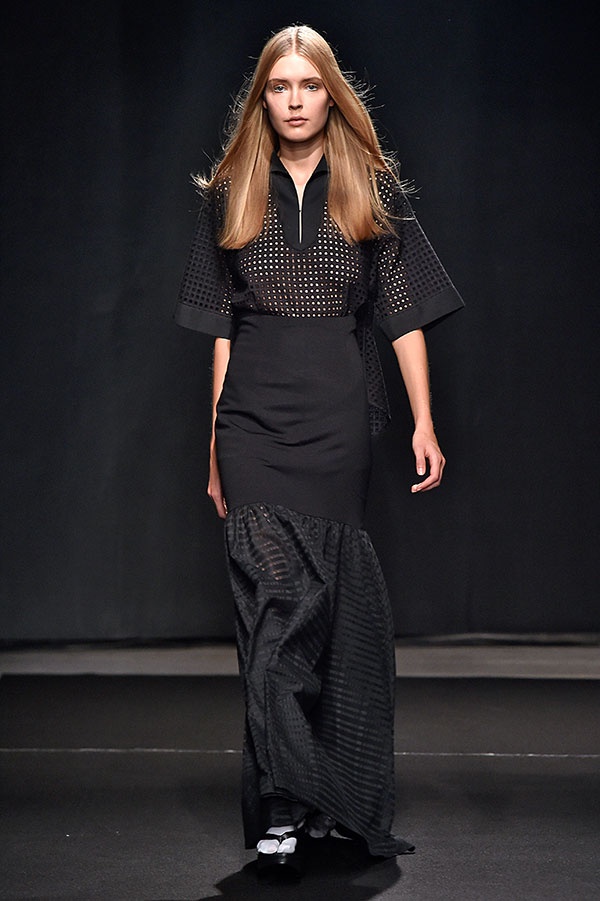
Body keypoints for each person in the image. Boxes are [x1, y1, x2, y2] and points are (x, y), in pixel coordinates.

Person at [175, 24, 464, 878]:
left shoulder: (370, 186)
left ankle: (313, 795)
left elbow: (403, 316)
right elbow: (220, 330)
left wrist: (423, 421)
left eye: (309, 85)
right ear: (261, 98)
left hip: (339, 415)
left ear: (331, 95)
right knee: (277, 604)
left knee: (324, 608)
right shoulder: (231, 190)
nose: (294, 100)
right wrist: (215, 442)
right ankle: (282, 801)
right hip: (252, 420)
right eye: (279, 86)